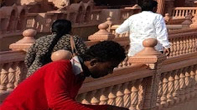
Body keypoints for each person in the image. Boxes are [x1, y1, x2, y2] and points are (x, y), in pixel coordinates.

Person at [0, 41, 129, 110]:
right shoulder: (61, 67)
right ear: (94, 62)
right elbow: (58, 103)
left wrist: (106, 109)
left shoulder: (78, 74)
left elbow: (67, 105)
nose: (110, 72)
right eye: (109, 67)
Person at [24, 20, 88, 75]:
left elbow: (28, 59)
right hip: (58, 73)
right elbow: (84, 54)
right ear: (70, 29)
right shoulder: (74, 39)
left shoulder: (41, 40)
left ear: (51, 29)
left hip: (36, 72)